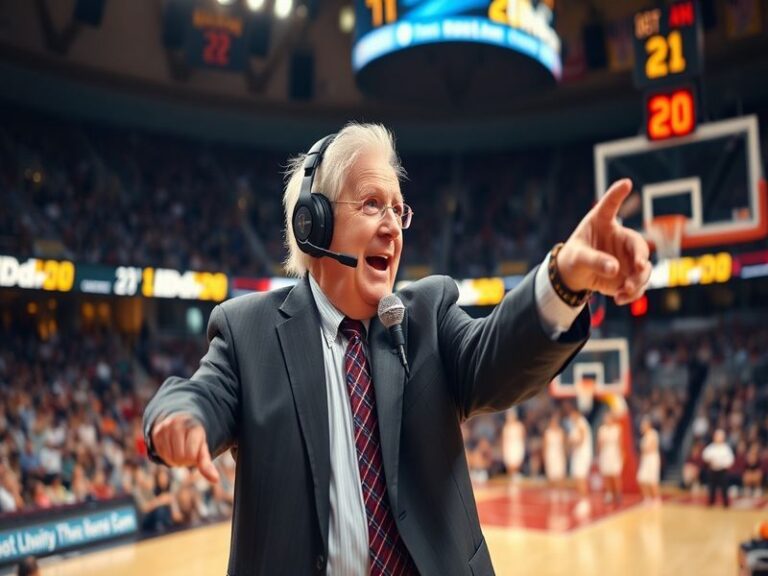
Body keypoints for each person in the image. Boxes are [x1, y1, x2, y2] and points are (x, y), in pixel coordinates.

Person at [143, 123, 651, 575]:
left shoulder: (428, 313)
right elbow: (200, 395)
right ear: (312, 225)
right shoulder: (247, 330)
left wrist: (563, 279)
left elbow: (496, 355)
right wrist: (180, 420)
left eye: (397, 209)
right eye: (370, 204)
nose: (392, 226)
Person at [568, 404, 594, 517]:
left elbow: (581, 439)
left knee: (581, 477)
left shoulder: (581, 423)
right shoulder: (576, 424)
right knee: (578, 477)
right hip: (577, 454)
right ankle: (582, 500)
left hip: (582, 454)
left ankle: (585, 501)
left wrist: (573, 443)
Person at [703, 429, 735, 508]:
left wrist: (724, 464)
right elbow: (705, 455)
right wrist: (710, 460)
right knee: (712, 488)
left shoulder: (726, 448)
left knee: (724, 488)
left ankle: (725, 503)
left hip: (722, 471)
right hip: (712, 470)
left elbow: (730, 459)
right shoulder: (711, 447)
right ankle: (711, 502)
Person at [598, 411, 623, 505]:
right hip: (605, 453)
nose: (606, 420)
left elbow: (620, 443)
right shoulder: (602, 429)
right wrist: (599, 453)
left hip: (614, 453)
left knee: (615, 474)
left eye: (608, 418)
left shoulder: (617, 429)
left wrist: (621, 455)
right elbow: (599, 444)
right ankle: (609, 494)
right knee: (606, 474)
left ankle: (618, 494)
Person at [636, 417, 661, 506]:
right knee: (642, 478)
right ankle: (647, 498)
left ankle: (656, 498)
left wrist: (646, 450)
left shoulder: (653, 434)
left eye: (643, 425)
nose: (641, 426)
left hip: (652, 459)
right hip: (645, 460)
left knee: (652, 480)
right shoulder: (643, 437)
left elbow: (652, 447)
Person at [543, 413, 567, 500]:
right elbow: (545, 446)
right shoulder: (547, 433)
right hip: (551, 455)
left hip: (559, 454)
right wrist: (545, 457)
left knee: (560, 474)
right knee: (551, 475)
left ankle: (561, 493)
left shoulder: (561, 432)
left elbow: (564, 445)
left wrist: (564, 456)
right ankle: (553, 493)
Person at [502, 408, 526, 484]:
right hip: (509, 448)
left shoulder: (519, 426)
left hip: (517, 447)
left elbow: (522, 438)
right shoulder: (506, 427)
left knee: (516, 464)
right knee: (510, 465)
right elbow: (504, 440)